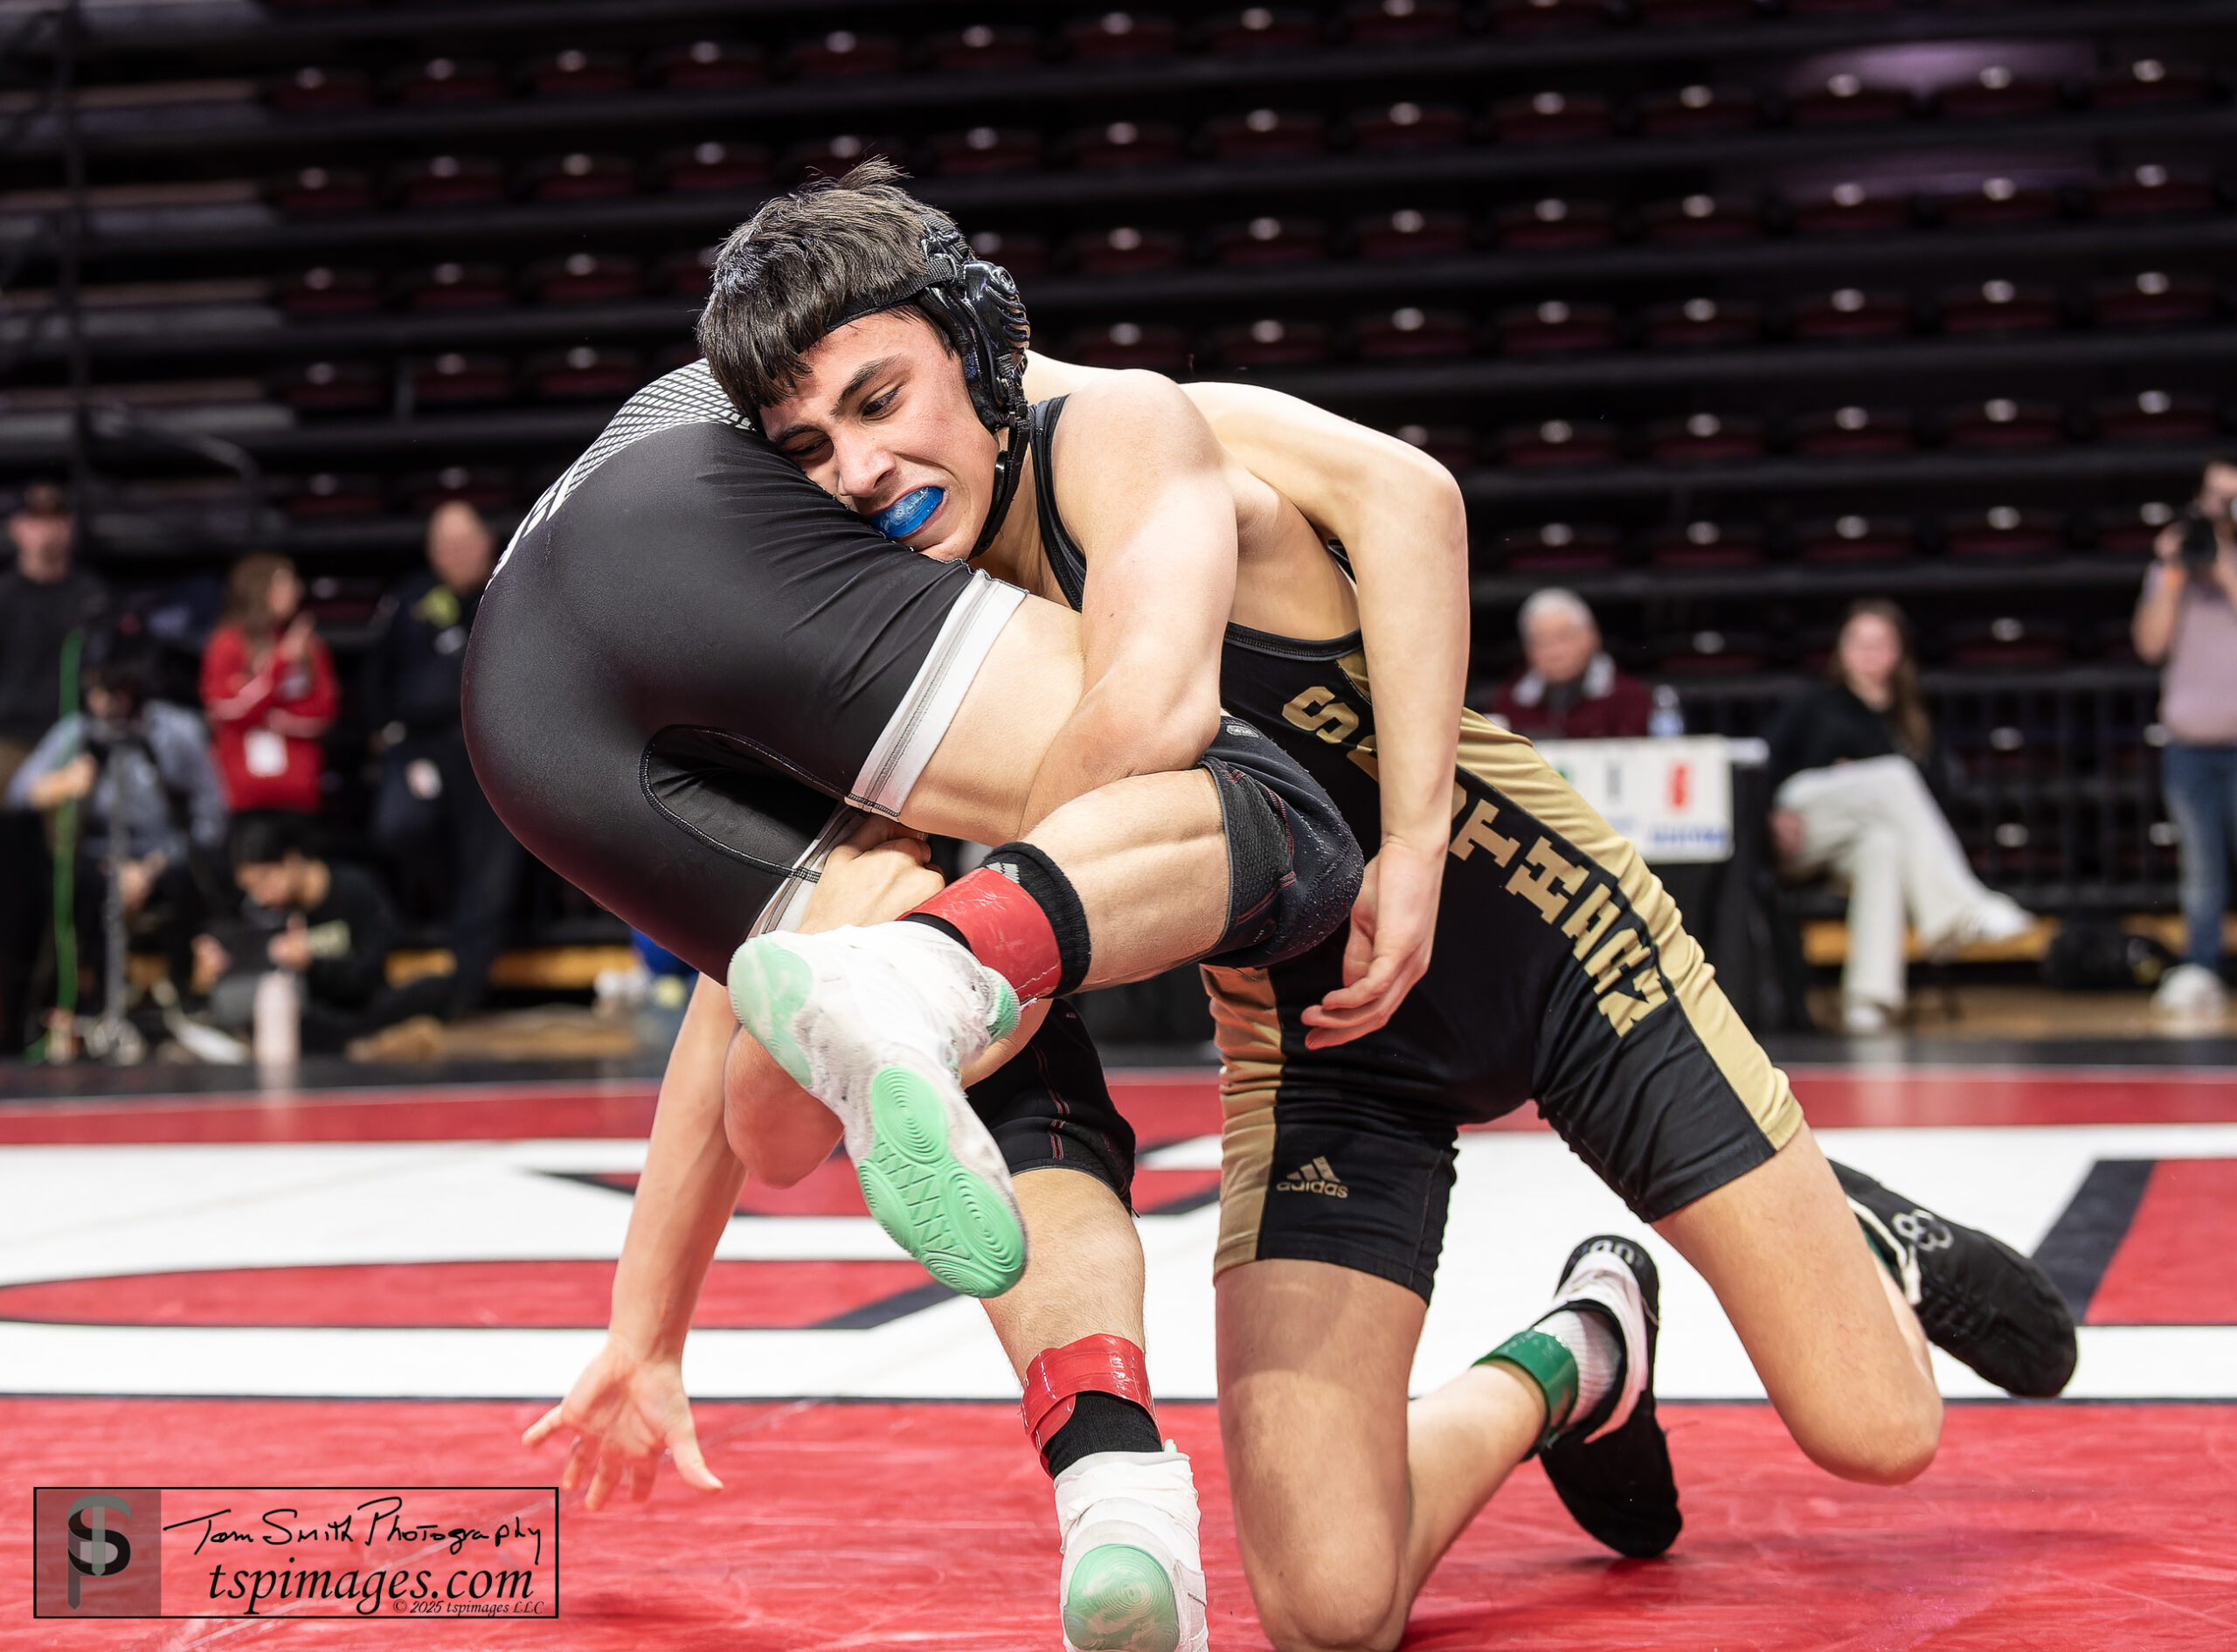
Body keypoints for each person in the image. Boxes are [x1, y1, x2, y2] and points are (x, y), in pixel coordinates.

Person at [523, 167, 2074, 1652]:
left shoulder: (1123, 438)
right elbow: (766, 952)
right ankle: (1585, 1351)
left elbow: (1410, 499)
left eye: (880, 402)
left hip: (1544, 938)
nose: (859, 472)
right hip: (1317, 1044)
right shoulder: (890, 635)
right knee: (1334, 1609)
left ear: (979, 351)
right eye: (806, 451)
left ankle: (1843, 1217)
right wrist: (648, 1322)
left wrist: (1407, 842)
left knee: (1878, 1433)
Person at [1764, 600, 2034, 1034]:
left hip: (1859, 836)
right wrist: (1770, 816)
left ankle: (1869, 1002)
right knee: (1892, 774)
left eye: (1880, 644)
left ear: (1898, 652)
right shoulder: (1814, 703)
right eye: (1859, 643)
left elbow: (1933, 798)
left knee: (1884, 848)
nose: (1869, 654)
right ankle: (1963, 908)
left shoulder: (1909, 718)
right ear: (1841, 648)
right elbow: (1765, 761)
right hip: (1804, 817)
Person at [3, 630, 227, 1019]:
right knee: (71, 888)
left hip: (167, 858)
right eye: (93, 690)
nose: (100, 700)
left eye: (109, 690)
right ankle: (89, 1005)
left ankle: (185, 1002)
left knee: (195, 880)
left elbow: (213, 813)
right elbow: (19, 793)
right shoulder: (78, 732)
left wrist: (152, 867)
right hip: (101, 861)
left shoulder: (176, 731)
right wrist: (65, 781)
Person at [363, 501, 523, 1017]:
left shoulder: (514, 591)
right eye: (444, 546)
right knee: (400, 826)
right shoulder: (407, 602)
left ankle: (464, 991)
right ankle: (436, 907)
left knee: (492, 868)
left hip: (494, 747)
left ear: (487, 542)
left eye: (464, 543)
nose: (455, 555)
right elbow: (375, 674)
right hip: (421, 748)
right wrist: (378, 730)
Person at [191, 812, 451, 1056]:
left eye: (264, 880)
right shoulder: (261, 912)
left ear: (291, 862)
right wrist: (220, 966)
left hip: (362, 1003)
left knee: (433, 990)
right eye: (250, 888)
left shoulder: (355, 889)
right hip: (310, 1013)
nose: (259, 895)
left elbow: (369, 972)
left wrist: (312, 963)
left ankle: (359, 1045)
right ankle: (368, 1046)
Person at [0, 483, 107, 1051]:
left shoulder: (88, 597)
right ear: (18, 529)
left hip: (64, 740)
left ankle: (47, 1010)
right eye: (35, 519)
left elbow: (103, 680)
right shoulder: (4, 595)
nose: (47, 530)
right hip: (6, 742)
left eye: (56, 519)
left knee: (63, 867)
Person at [2133, 458, 2237, 1017]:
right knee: (2200, 868)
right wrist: (2173, 570)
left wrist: (2222, 570)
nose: (2221, 511)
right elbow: (2150, 644)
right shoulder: (2177, 570)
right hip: (2189, 746)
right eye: (2213, 498)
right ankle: (2201, 966)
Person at [200, 551, 338, 817]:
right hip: (243, 795)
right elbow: (226, 708)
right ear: (259, 589)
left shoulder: (308, 646)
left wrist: (264, 716)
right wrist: (280, 663)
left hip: (299, 790)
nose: (296, 591)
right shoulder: (227, 644)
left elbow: (323, 712)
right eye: (284, 583)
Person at [1488, 587, 1658, 738]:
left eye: (1564, 637)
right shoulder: (1509, 704)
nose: (1554, 651)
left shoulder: (1631, 697)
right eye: (1540, 642)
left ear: (1592, 637)